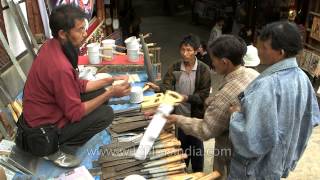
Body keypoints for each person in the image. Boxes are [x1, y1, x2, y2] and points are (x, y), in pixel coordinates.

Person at [16, 4, 131, 168]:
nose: (85, 34)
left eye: (84, 28)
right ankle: (57, 149)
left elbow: (76, 84)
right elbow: (75, 113)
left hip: (46, 111)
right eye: (80, 30)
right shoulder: (59, 67)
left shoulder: (52, 45)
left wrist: (109, 81)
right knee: (106, 113)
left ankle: (61, 141)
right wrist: (110, 93)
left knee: (100, 92)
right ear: (63, 33)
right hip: (44, 130)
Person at [229, 21, 320, 179]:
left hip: (253, 169)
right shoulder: (303, 79)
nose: (259, 52)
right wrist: (291, 154)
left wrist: (235, 115)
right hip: (278, 164)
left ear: (281, 52)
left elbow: (252, 139)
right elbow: (311, 121)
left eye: (264, 48)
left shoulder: (267, 85)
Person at [165, 35, 259, 179]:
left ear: (224, 62)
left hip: (231, 153)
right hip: (251, 149)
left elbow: (206, 129)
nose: (212, 63)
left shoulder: (224, 91)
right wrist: (213, 101)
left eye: (213, 59)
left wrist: (176, 119)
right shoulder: (253, 74)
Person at [147, 34, 211, 172]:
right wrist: (158, 88)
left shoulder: (204, 70)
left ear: (196, 51)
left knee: (196, 147)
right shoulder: (175, 67)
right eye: (182, 50)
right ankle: (183, 170)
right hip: (179, 115)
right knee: (182, 145)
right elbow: (167, 86)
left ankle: (198, 172)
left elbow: (203, 96)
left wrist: (185, 98)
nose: (185, 53)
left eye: (188, 50)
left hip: (196, 117)